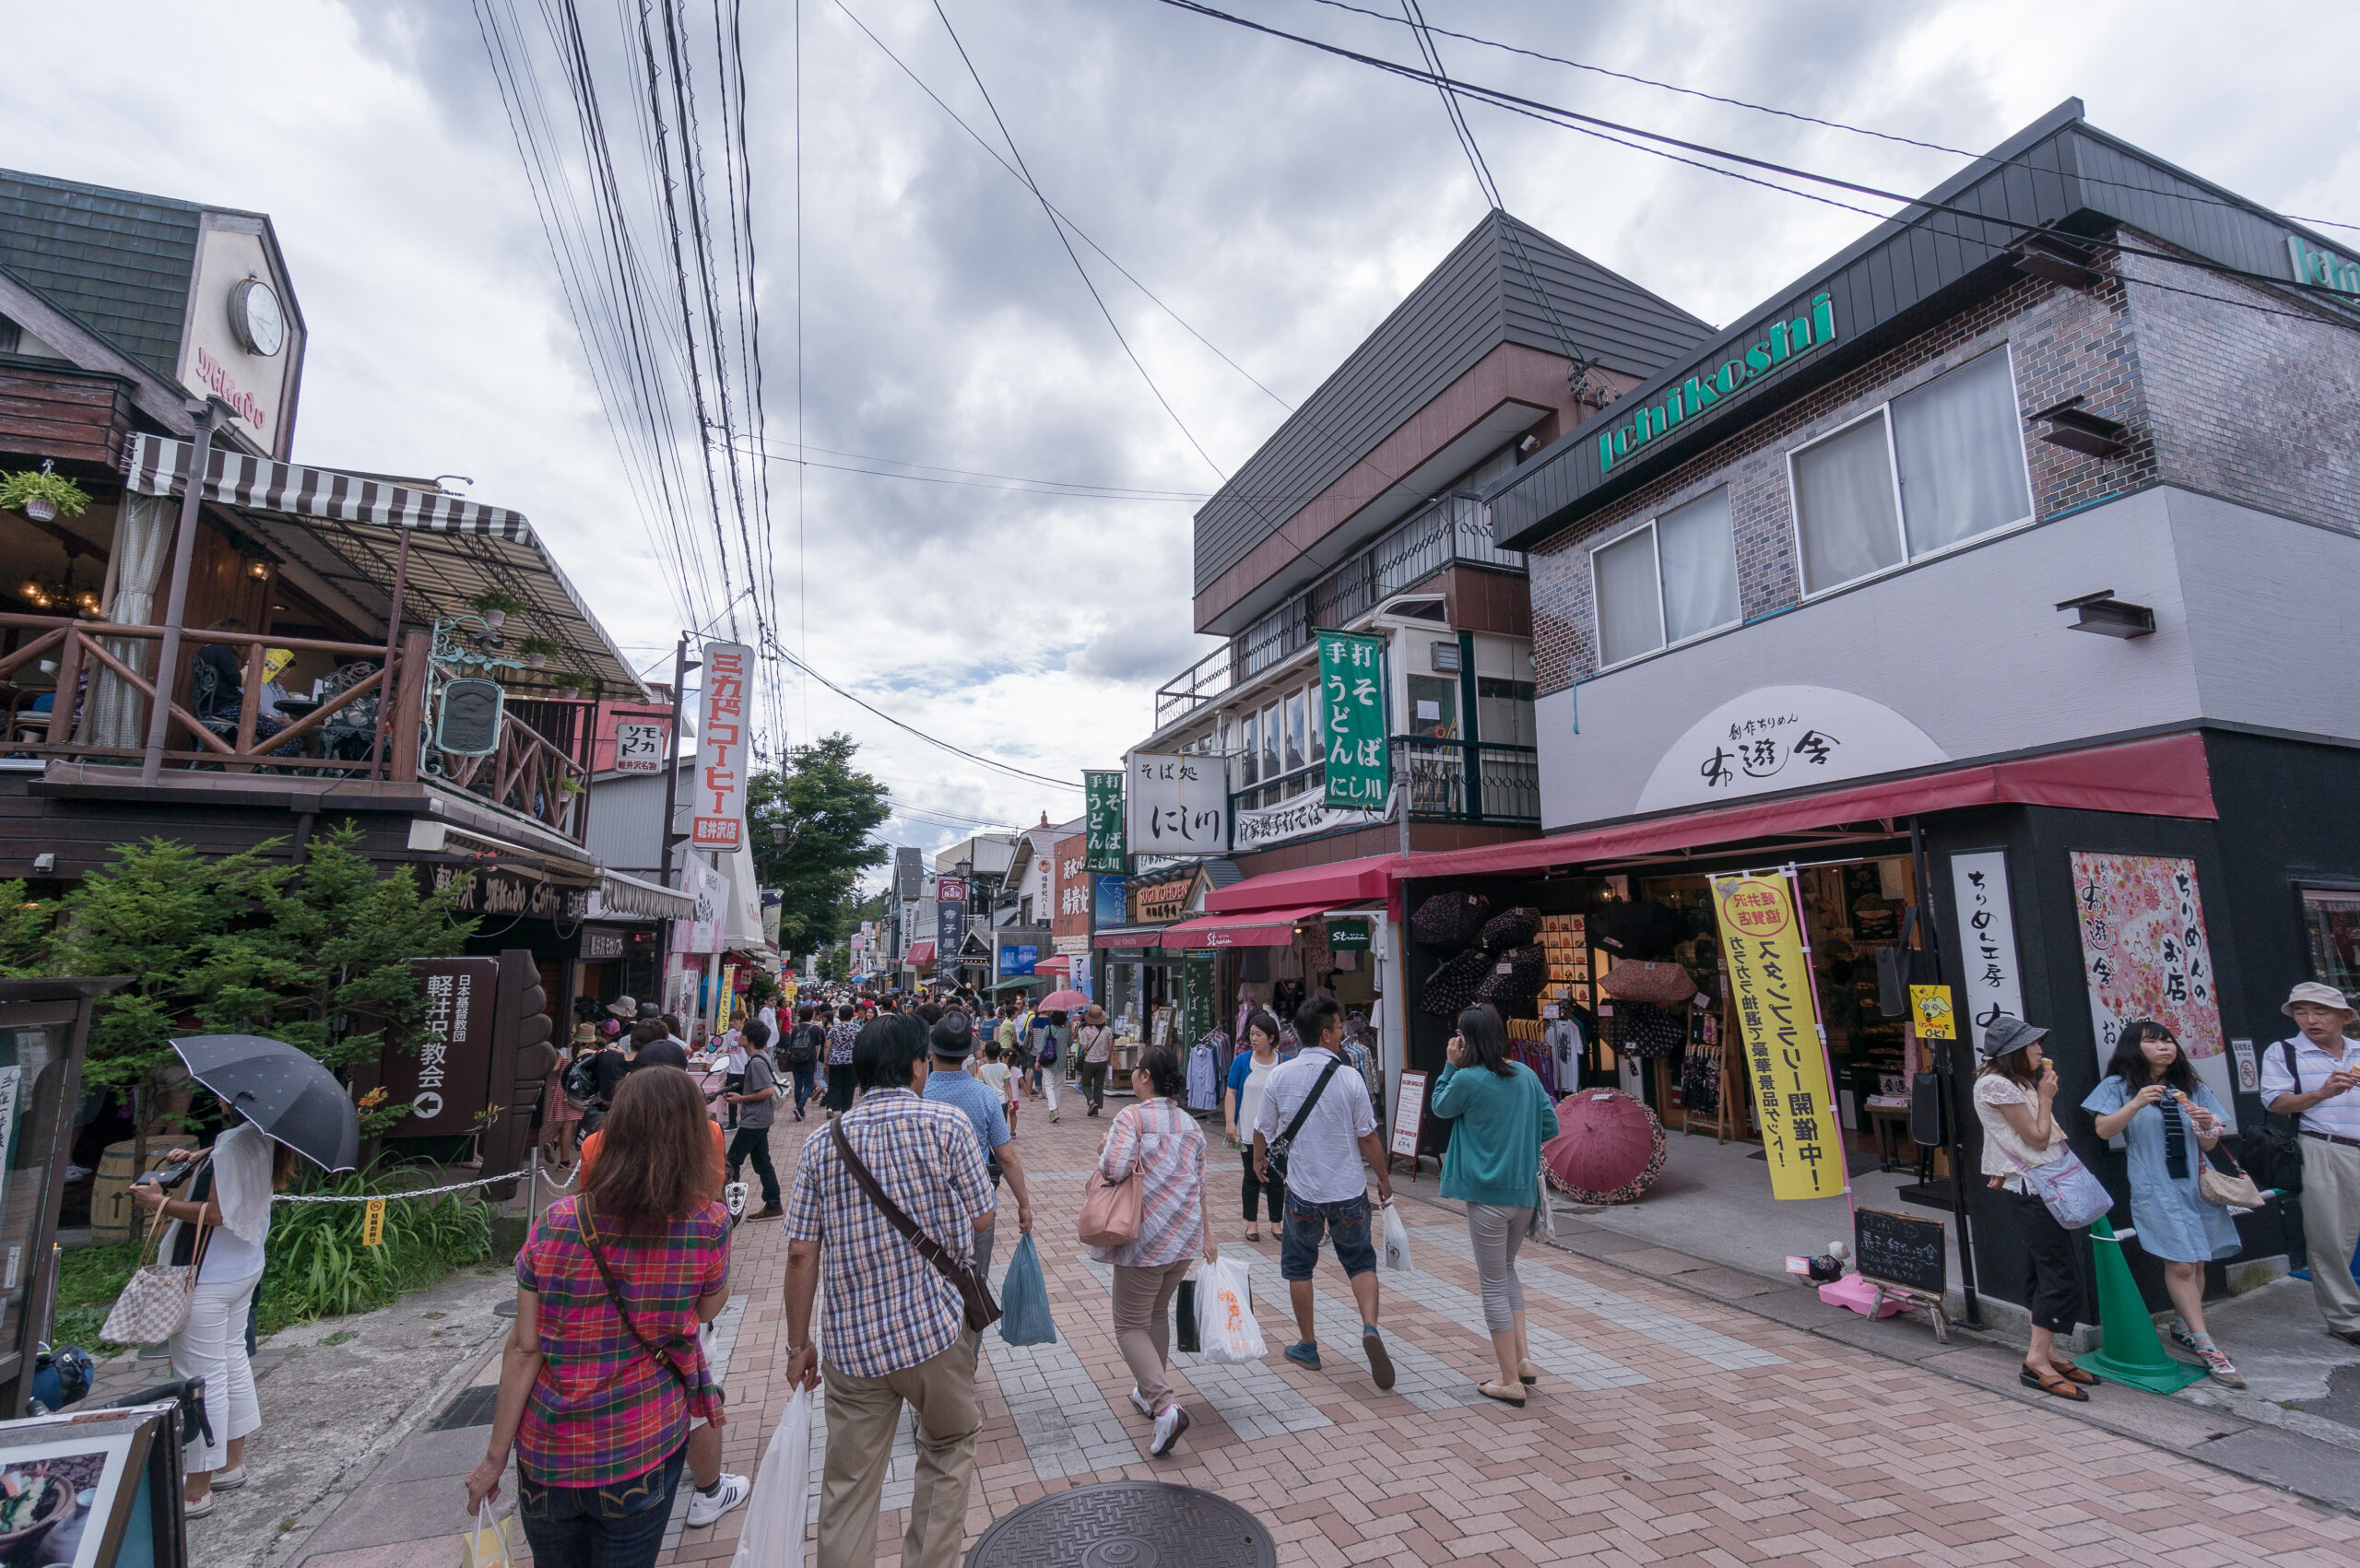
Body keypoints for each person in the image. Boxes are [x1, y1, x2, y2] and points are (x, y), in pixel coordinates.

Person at [467, 1069, 737, 1564]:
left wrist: (493, 1458)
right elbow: (707, 1309)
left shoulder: (558, 1221)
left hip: (548, 1453)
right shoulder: (708, 1222)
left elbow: (525, 1349)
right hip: (642, 1442)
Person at [783, 1016, 995, 1568]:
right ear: (917, 1066)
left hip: (852, 1344)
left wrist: (797, 1344)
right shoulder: (948, 1126)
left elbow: (802, 1252)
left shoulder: (821, 1145)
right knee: (948, 1447)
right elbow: (982, 1214)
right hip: (937, 1332)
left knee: (849, 1484)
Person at [130, 1103, 295, 1516]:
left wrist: (159, 1203)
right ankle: (229, 1464)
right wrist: (201, 1155)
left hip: (207, 1278)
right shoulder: (264, 1136)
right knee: (231, 1361)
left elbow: (217, 1214)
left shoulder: (230, 1144)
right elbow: (231, 1157)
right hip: (243, 1271)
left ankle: (196, 1488)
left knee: (199, 1379)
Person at [2084, 1019, 2242, 1385]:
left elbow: (2207, 1144)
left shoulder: (2191, 1087)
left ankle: (2185, 1326)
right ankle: (2205, 1344)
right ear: (2133, 1048)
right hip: (2155, 1185)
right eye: (2153, 1042)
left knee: (2198, 1261)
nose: (2165, 1047)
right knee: (2183, 1265)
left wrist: (2206, 1123)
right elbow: (2104, 1130)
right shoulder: (2119, 1086)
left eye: (2168, 1040)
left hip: (2196, 1185)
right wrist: (2137, 1102)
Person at [1253, 995, 1394, 1388]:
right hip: (1348, 1190)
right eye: (1339, 1028)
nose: (1343, 1035)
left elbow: (1262, 1128)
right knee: (1361, 1261)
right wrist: (1383, 1180)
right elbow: (1368, 1138)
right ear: (1327, 1034)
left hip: (1302, 1190)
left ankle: (1308, 1345)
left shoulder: (1281, 1075)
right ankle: (1370, 1327)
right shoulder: (1350, 1077)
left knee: (1299, 1267)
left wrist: (1258, 1160)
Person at [1431, 1005, 1559, 1406]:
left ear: (1466, 1040)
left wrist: (1449, 1067)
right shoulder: (1527, 1075)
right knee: (1507, 1272)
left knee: (1492, 1286)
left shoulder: (1467, 1078)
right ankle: (1523, 1361)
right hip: (1522, 1196)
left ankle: (1509, 1379)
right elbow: (1550, 1127)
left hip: (1485, 1197)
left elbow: (1440, 1107)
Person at [1091, 1045, 1214, 1456]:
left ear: (1144, 1076)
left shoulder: (1132, 1117)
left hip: (1145, 1238)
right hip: (1183, 1239)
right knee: (1155, 1313)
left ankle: (1164, 1406)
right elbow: (1200, 1184)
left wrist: (1107, 1145)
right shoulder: (1191, 1125)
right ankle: (1149, 1394)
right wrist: (1207, 1235)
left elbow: (1114, 1169)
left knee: (1128, 1325)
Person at [1972, 1014, 2094, 1400]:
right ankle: (2036, 1361)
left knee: (2041, 1270)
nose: (2040, 1050)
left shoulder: (2006, 1081)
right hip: (2036, 1188)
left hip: (2031, 1184)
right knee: (2060, 1273)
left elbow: (2000, 1136)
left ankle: (2049, 1352)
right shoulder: (1997, 1084)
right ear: (2014, 1051)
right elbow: (2038, 1139)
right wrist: (2045, 1097)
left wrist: (1997, 1171)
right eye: (2032, 1044)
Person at [2260, 981, 2360, 1345]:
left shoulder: (2358, 1050)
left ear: (2345, 1017)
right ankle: (2346, 1318)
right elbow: (2275, 1103)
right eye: (2301, 1012)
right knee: (2330, 1237)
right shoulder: (2283, 1051)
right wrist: (2322, 1092)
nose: (2310, 1020)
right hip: (2324, 1147)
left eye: (2320, 1011)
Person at [920, 1011, 1032, 1282]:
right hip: (977, 1206)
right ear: (967, 1054)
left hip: (926, 1207)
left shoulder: (919, 1094)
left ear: (931, 1052)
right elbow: (1007, 1158)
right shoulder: (984, 1096)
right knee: (975, 1288)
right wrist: (1023, 1204)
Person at [1224, 1009, 1285, 1242]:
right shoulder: (1242, 1061)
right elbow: (1231, 1092)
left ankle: (1276, 1223)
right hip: (1248, 1130)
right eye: (1251, 1034)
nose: (1253, 1038)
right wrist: (1230, 1123)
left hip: (1277, 1134)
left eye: (1259, 1034)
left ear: (1271, 1037)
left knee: (1277, 1178)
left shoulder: (1284, 1062)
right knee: (1251, 1176)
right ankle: (1251, 1224)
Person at [724, 1018, 784, 1220]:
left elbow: (767, 1091)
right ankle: (773, 1204)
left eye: (743, 1035)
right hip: (760, 1119)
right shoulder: (760, 1057)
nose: (739, 1037)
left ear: (749, 1039)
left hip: (755, 1120)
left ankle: (732, 1208)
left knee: (731, 1161)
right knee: (762, 1162)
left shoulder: (757, 1061)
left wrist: (742, 1098)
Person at [783, 1004, 821, 1119]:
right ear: (812, 1015)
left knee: (798, 1085)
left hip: (795, 1059)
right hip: (809, 1059)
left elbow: (791, 1043)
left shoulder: (795, 1028)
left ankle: (799, 1109)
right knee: (808, 1085)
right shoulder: (815, 1028)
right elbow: (817, 1045)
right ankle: (799, 1107)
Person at [824, 1003, 862, 1116]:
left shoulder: (834, 1029)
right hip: (851, 1060)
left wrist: (825, 1061)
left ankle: (831, 1106)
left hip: (835, 1059)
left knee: (834, 1084)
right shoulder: (857, 1029)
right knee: (849, 1086)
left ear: (839, 1016)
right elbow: (860, 1045)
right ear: (852, 1015)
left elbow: (827, 1046)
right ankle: (845, 1109)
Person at [1077, 1006, 1114, 1116]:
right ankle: (1096, 1111)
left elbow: (1084, 1047)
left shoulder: (1086, 1030)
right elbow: (1110, 1045)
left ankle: (1092, 1102)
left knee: (1085, 1084)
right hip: (1103, 1061)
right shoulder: (1107, 1030)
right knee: (1098, 1085)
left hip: (1089, 1061)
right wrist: (1109, 1058)